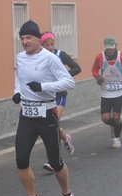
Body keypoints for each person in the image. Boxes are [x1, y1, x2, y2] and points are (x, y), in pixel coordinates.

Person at [12, 20, 75, 196]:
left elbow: (69, 81)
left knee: (55, 162)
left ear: (38, 39)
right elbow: (19, 77)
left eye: (28, 37)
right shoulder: (20, 57)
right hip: (27, 115)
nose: (25, 41)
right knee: (21, 159)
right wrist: (16, 91)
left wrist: (44, 87)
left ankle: (66, 195)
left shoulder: (49, 58)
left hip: (47, 113)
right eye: (22, 38)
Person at [40, 31, 81, 172]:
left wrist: (63, 75)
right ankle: (66, 138)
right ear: (42, 45)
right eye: (47, 45)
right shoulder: (39, 57)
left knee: (52, 124)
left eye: (52, 44)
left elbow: (77, 68)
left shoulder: (60, 55)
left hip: (59, 95)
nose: (50, 47)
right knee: (51, 125)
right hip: (45, 95)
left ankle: (54, 161)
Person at [91, 36, 122, 149]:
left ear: (116, 46)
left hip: (119, 91)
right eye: (107, 48)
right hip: (106, 91)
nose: (109, 50)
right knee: (105, 118)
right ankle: (113, 126)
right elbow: (94, 70)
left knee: (116, 116)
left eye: (111, 48)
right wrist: (98, 77)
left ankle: (116, 139)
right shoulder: (100, 57)